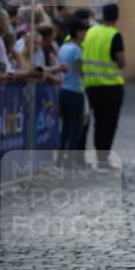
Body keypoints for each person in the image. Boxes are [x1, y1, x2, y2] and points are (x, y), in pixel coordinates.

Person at [82, 3, 125, 169]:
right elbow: (121, 61)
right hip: (110, 86)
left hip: (90, 85)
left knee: (95, 122)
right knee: (108, 124)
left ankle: (84, 155)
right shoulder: (114, 35)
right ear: (116, 17)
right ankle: (102, 158)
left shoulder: (91, 31)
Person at [58, 19, 87, 164]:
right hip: (75, 91)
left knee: (65, 126)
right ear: (78, 32)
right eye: (83, 31)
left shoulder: (63, 47)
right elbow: (82, 71)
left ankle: (60, 156)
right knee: (76, 127)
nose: (84, 34)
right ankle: (70, 159)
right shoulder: (77, 50)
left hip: (63, 89)